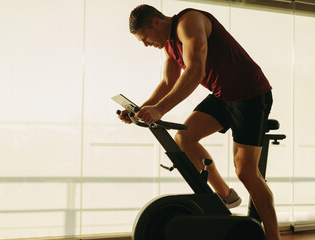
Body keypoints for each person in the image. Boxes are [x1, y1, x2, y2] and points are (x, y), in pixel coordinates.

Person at [118, 4, 280, 240]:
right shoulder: (169, 47)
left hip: (250, 94)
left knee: (246, 171)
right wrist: (140, 110)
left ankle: (274, 237)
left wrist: (160, 109)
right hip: (223, 96)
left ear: (155, 22)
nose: (145, 44)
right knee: (184, 138)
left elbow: (195, 70)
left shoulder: (189, 22)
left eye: (144, 38)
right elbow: (167, 83)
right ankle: (226, 196)